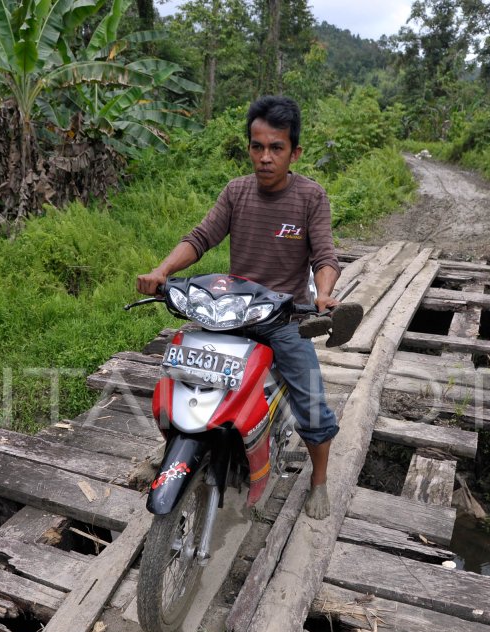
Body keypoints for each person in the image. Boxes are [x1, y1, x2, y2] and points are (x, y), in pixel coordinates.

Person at [136, 95, 359, 520]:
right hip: (230, 313)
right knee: (182, 375)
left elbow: (325, 258)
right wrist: (162, 270)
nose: (265, 157)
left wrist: (324, 295)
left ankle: (319, 480)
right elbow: (201, 238)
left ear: (295, 152)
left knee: (310, 399)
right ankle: (187, 446)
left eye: (276, 148)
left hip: (283, 318)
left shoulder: (311, 197)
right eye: (257, 147)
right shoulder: (236, 192)